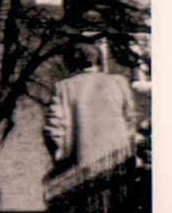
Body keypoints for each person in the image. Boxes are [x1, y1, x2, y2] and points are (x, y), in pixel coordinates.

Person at [44, 41, 141, 173]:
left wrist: (62, 158)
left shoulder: (64, 87)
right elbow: (131, 119)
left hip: (84, 165)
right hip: (119, 160)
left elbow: (54, 129)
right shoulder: (119, 82)